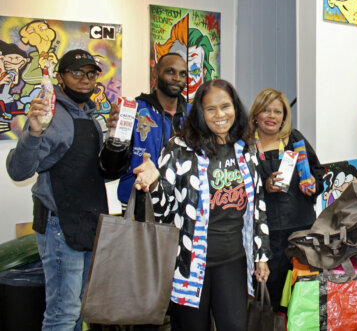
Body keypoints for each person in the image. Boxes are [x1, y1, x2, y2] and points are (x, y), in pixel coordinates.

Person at [133, 79, 270, 331]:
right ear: (200, 112)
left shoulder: (245, 148)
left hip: (232, 259)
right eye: (211, 109)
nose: (220, 115)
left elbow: (257, 205)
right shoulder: (180, 149)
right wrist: (153, 184)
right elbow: (164, 213)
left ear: (236, 109)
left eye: (226, 107)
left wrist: (261, 256)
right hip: (188, 264)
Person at [6, 49, 120, 330]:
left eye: (91, 74)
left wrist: (118, 141)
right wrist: (32, 133)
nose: (85, 79)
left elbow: (94, 175)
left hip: (89, 222)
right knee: (62, 313)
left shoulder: (92, 117)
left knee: (81, 308)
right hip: (59, 225)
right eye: (76, 73)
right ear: (59, 77)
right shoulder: (48, 114)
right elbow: (18, 171)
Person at [245, 88, 322, 311]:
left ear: (284, 116)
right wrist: (265, 186)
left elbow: (317, 172)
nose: (272, 116)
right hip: (265, 237)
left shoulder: (295, 140)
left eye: (277, 111)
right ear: (255, 115)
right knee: (268, 300)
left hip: (300, 232)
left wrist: (314, 186)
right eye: (266, 110)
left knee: (303, 298)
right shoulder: (245, 147)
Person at [100, 52, 189, 206]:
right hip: (137, 205)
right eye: (170, 71)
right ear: (155, 73)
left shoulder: (194, 115)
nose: (177, 78)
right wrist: (115, 140)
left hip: (181, 205)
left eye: (182, 74)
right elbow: (110, 170)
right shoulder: (133, 111)